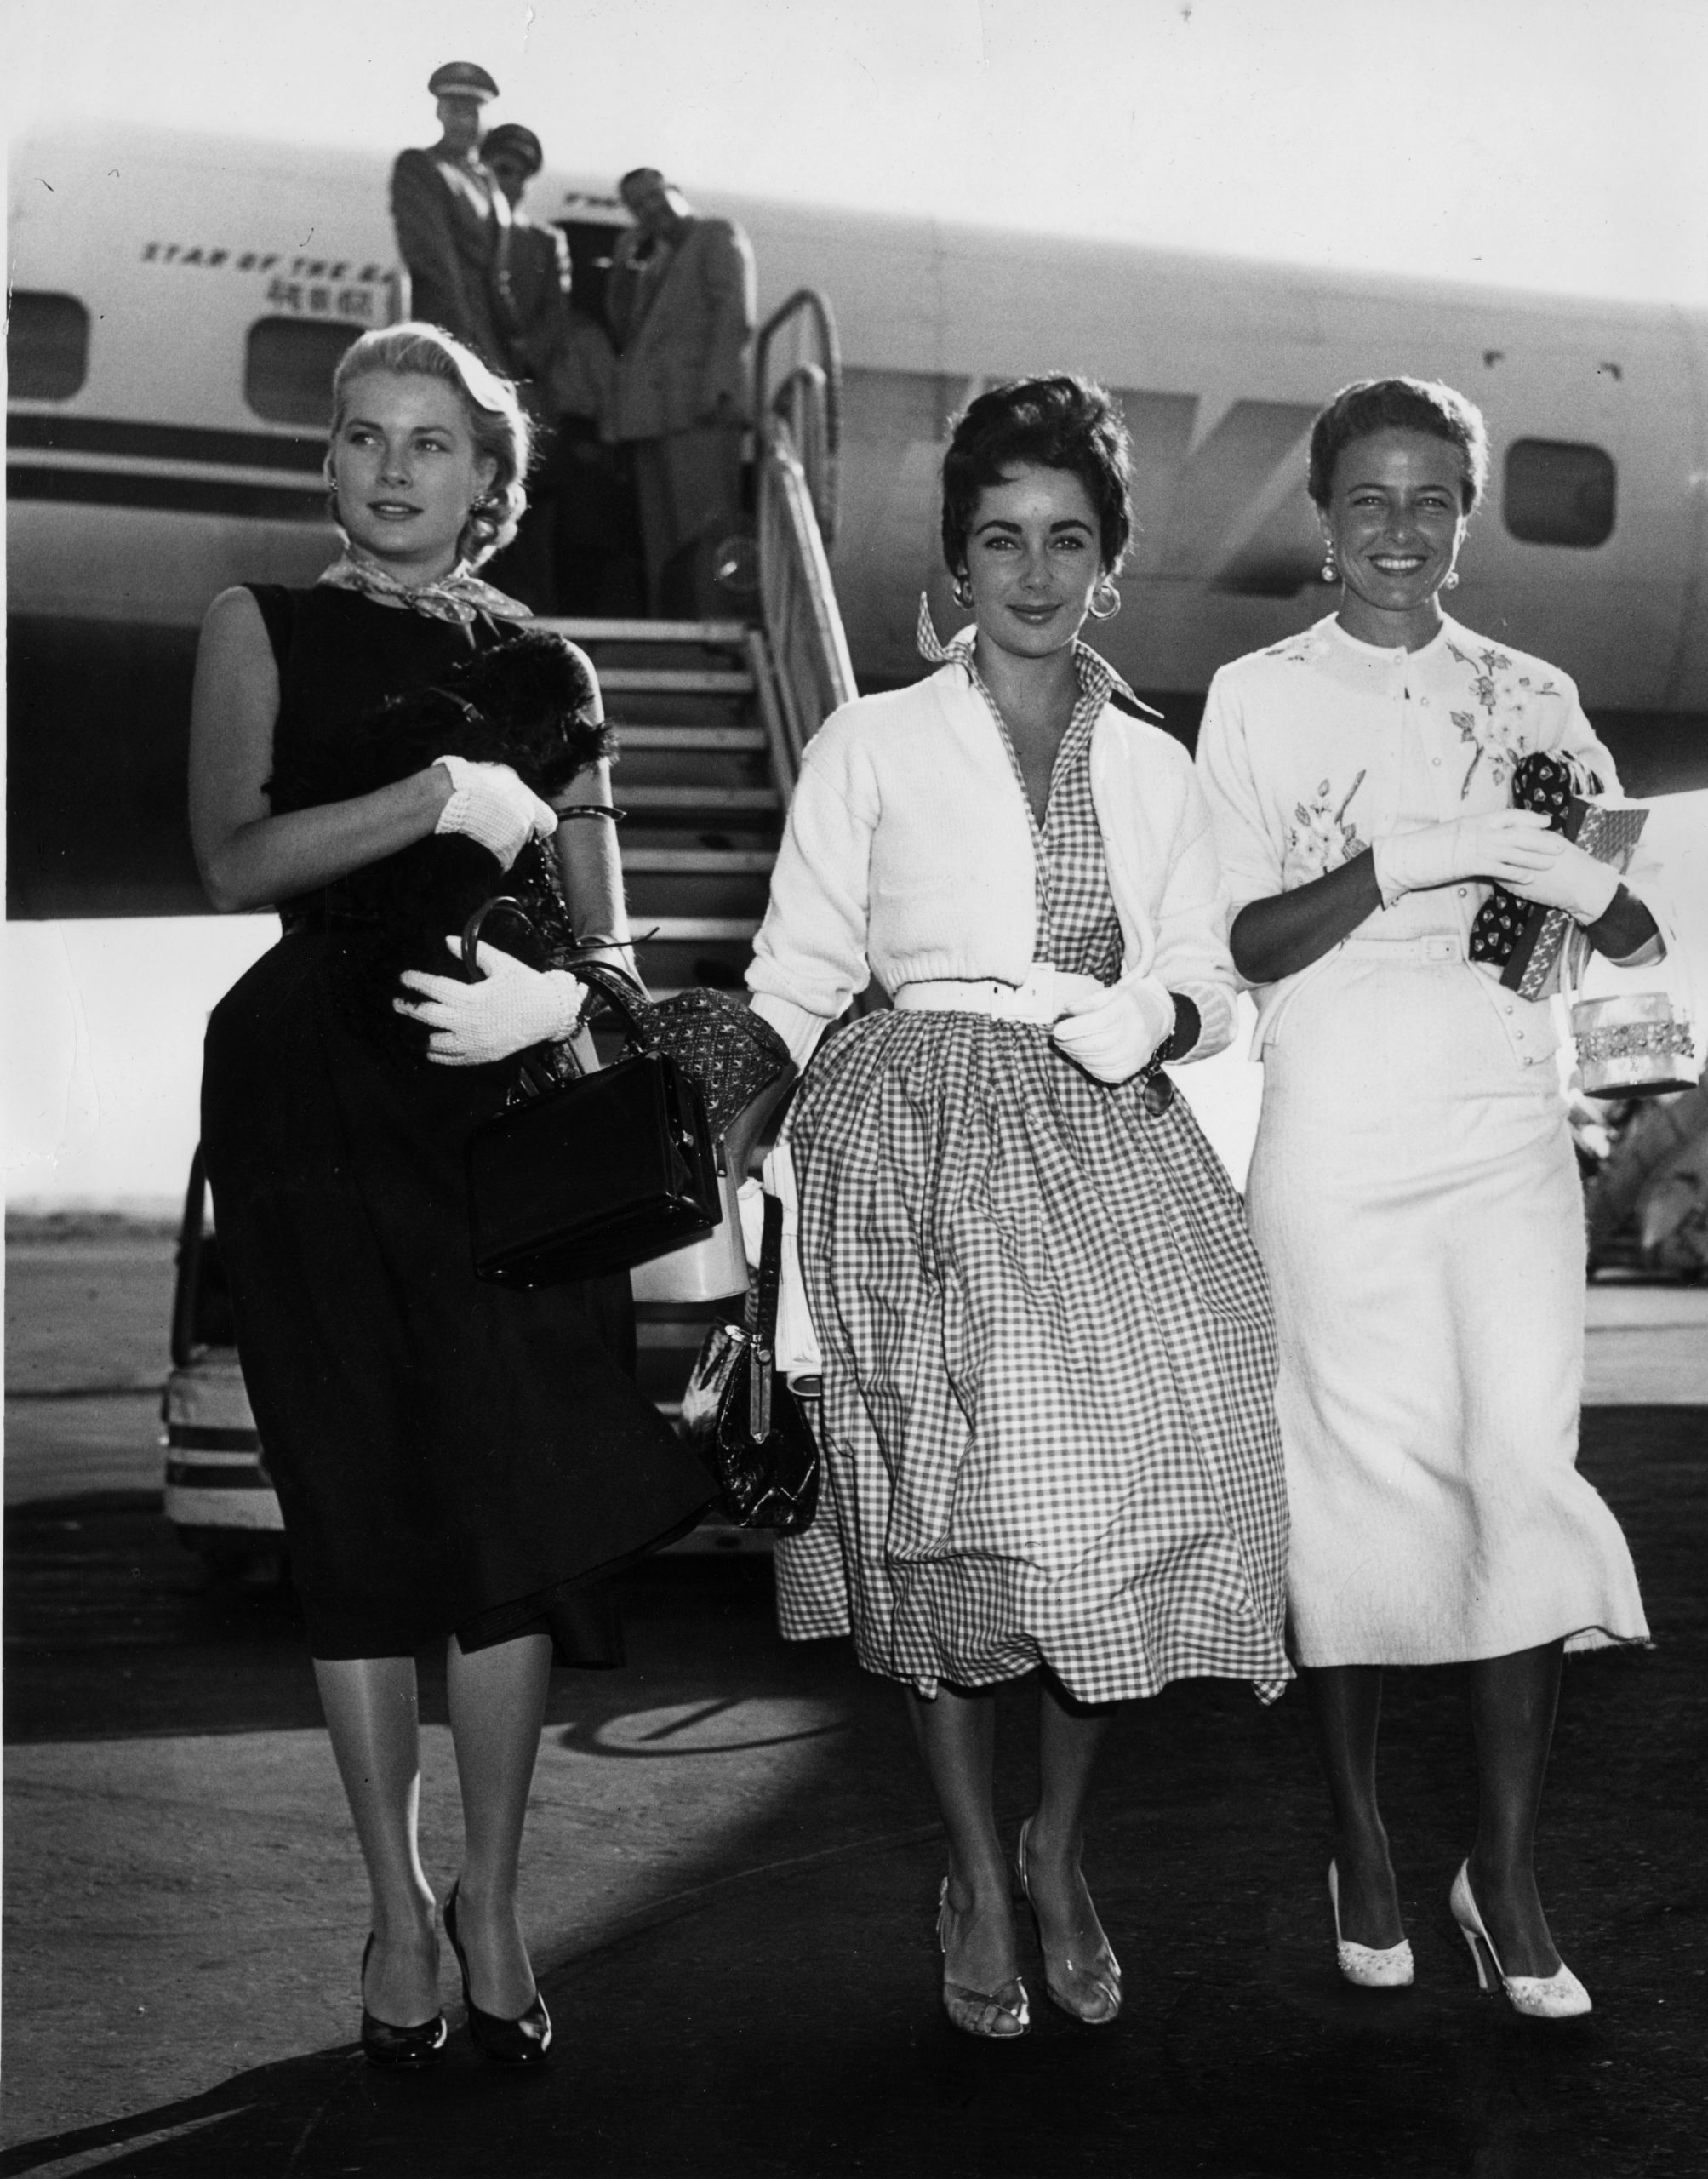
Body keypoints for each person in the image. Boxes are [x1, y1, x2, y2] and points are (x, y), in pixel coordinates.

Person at [191, 323, 711, 2068]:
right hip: (314, 1096)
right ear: (331, 460)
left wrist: (567, 999)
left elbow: (612, 929)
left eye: (434, 442)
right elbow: (235, 855)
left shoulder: (553, 663)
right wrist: (433, 796)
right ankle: (394, 1905)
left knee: (513, 1506)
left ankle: (492, 1898)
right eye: (364, 436)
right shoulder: (260, 623)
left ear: (491, 481)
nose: (395, 466)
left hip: (504, 1105)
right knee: (353, 1499)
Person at [745, 377, 1291, 2039]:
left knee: (1091, 1526)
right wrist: (731, 1121)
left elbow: (1213, 977)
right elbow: (795, 972)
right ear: (956, 563)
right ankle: (979, 1870)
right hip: (906, 1144)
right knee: (935, 1532)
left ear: (1110, 569)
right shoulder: (873, 738)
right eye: (1001, 539)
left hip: (1096, 1138)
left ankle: (1060, 1846)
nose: (1034, 572)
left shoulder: (1150, 760)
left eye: (1067, 540)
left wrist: (1161, 1015)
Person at [1195, 375, 1655, 2021]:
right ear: (1320, 517)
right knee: (1351, 1487)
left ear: (1465, 515)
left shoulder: (1534, 690)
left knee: (1517, 1472)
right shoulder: (1253, 696)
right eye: (1368, 500)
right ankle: (1361, 1841)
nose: (1400, 531)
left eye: (1430, 501)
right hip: (1333, 1129)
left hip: (1502, 1132)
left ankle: (1507, 1872)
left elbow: (1632, 947)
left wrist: (1583, 882)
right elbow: (1239, 948)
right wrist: (1400, 858)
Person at [478, 121, 624, 615]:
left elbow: (553, 320)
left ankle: (518, 615)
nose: (509, 181)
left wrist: (513, 361)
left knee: (527, 522)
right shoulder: (454, 236)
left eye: (518, 173)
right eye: (500, 169)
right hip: (462, 396)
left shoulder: (544, 243)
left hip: (520, 399)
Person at [606, 168, 755, 611]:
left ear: (676, 191)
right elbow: (624, 331)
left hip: (699, 408)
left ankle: (715, 623)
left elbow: (733, 311)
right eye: (638, 207)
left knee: (705, 526)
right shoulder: (653, 263)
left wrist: (719, 389)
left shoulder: (715, 235)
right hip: (653, 415)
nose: (650, 210)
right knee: (663, 537)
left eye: (655, 197)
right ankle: (675, 623)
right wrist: (622, 264)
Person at [390, 63, 517, 373]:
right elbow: (433, 259)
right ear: (439, 114)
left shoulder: (486, 179)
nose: (465, 122)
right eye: (455, 111)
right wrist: (459, 340)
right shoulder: (420, 167)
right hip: (448, 331)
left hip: (491, 338)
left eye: (474, 112)